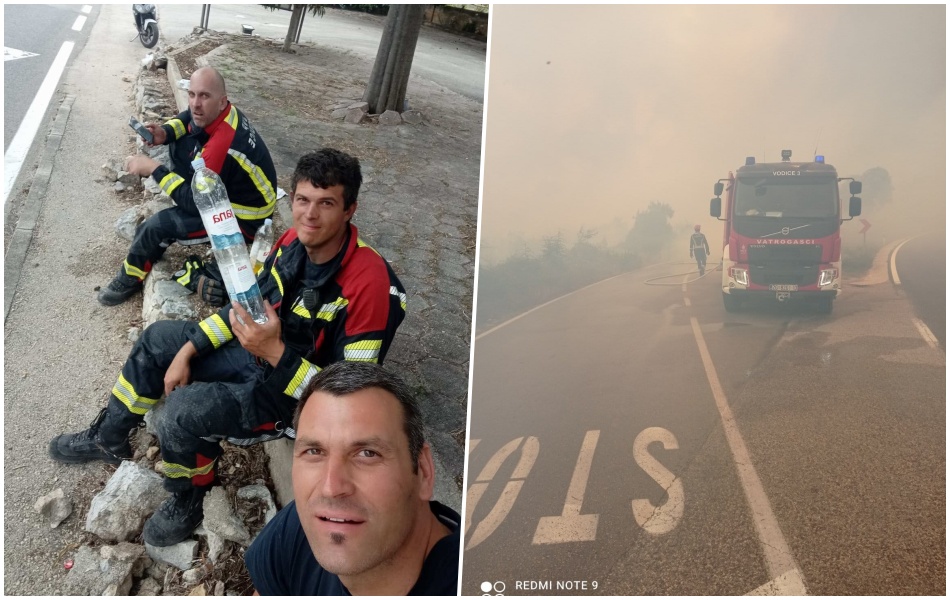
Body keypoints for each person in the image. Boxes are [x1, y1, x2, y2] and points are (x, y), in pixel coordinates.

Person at [50, 149, 407, 548]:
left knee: (183, 413)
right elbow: (246, 304)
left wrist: (273, 353)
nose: (310, 214)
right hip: (261, 352)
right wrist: (189, 350)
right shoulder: (292, 241)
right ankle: (110, 437)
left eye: (326, 204)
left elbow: (349, 403)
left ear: (349, 210)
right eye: (303, 201)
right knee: (159, 341)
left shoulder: (369, 286)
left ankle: (189, 495)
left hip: (295, 400)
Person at [244, 361, 460, 596]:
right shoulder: (299, 528)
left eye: (367, 454)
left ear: (423, 471)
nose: (330, 488)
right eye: (314, 451)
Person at [98, 66, 278, 306]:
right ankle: (191, 185)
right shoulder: (224, 112)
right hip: (237, 190)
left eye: (204, 96)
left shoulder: (221, 145)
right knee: (180, 140)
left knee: (155, 227)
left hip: (244, 218)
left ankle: (129, 278)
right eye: (192, 94)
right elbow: (188, 118)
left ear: (222, 101)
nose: (195, 103)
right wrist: (163, 132)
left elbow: (195, 204)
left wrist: (153, 168)